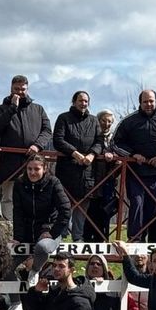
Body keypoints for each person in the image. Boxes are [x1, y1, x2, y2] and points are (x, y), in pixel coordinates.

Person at [113, 89, 156, 238]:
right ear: (140, 103)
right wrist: (133, 155)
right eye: (145, 101)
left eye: (151, 101)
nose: (148, 104)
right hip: (135, 172)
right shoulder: (129, 120)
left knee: (152, 208)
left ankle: (145, 238)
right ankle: (134, 239)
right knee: (137, 203)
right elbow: (116, 143)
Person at [0, 73, 52, 207]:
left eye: (22, 89)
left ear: (27, 89)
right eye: (16, 89)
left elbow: (47, 130)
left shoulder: (38, 109)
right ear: (11, 89)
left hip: (33, 163)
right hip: (10, 164)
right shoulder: (2, 109)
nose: (20, 92)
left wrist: (37, 146)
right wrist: (12, 108)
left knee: (34, 198)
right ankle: (10, 227)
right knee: (9, 198)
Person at [10, 153, 72, 276]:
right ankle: (14, 295)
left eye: (37, 169)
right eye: (29, 169)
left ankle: (35, 270)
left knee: (42, 247)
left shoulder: (53, 182)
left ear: (45, 169)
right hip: (27, 234)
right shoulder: (19, 183)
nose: (32, 172)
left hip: (48, 232)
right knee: (5, 269)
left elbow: (66, 209)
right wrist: (18, 237)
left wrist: (52, 232)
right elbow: (18, 212)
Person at [53, 90, 101, 239]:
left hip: (87, 171)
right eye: (80, 100)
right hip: (67, 170)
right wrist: (75, 153)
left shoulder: (94, 121)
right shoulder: (63, 118)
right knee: (63, 204)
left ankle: (77, 237)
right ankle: (60, 236)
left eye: (86, 101)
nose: (83, 103)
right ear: (74, 102)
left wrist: (92, 154)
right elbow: (58, 140)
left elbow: (99, 141)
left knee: (83, 206)